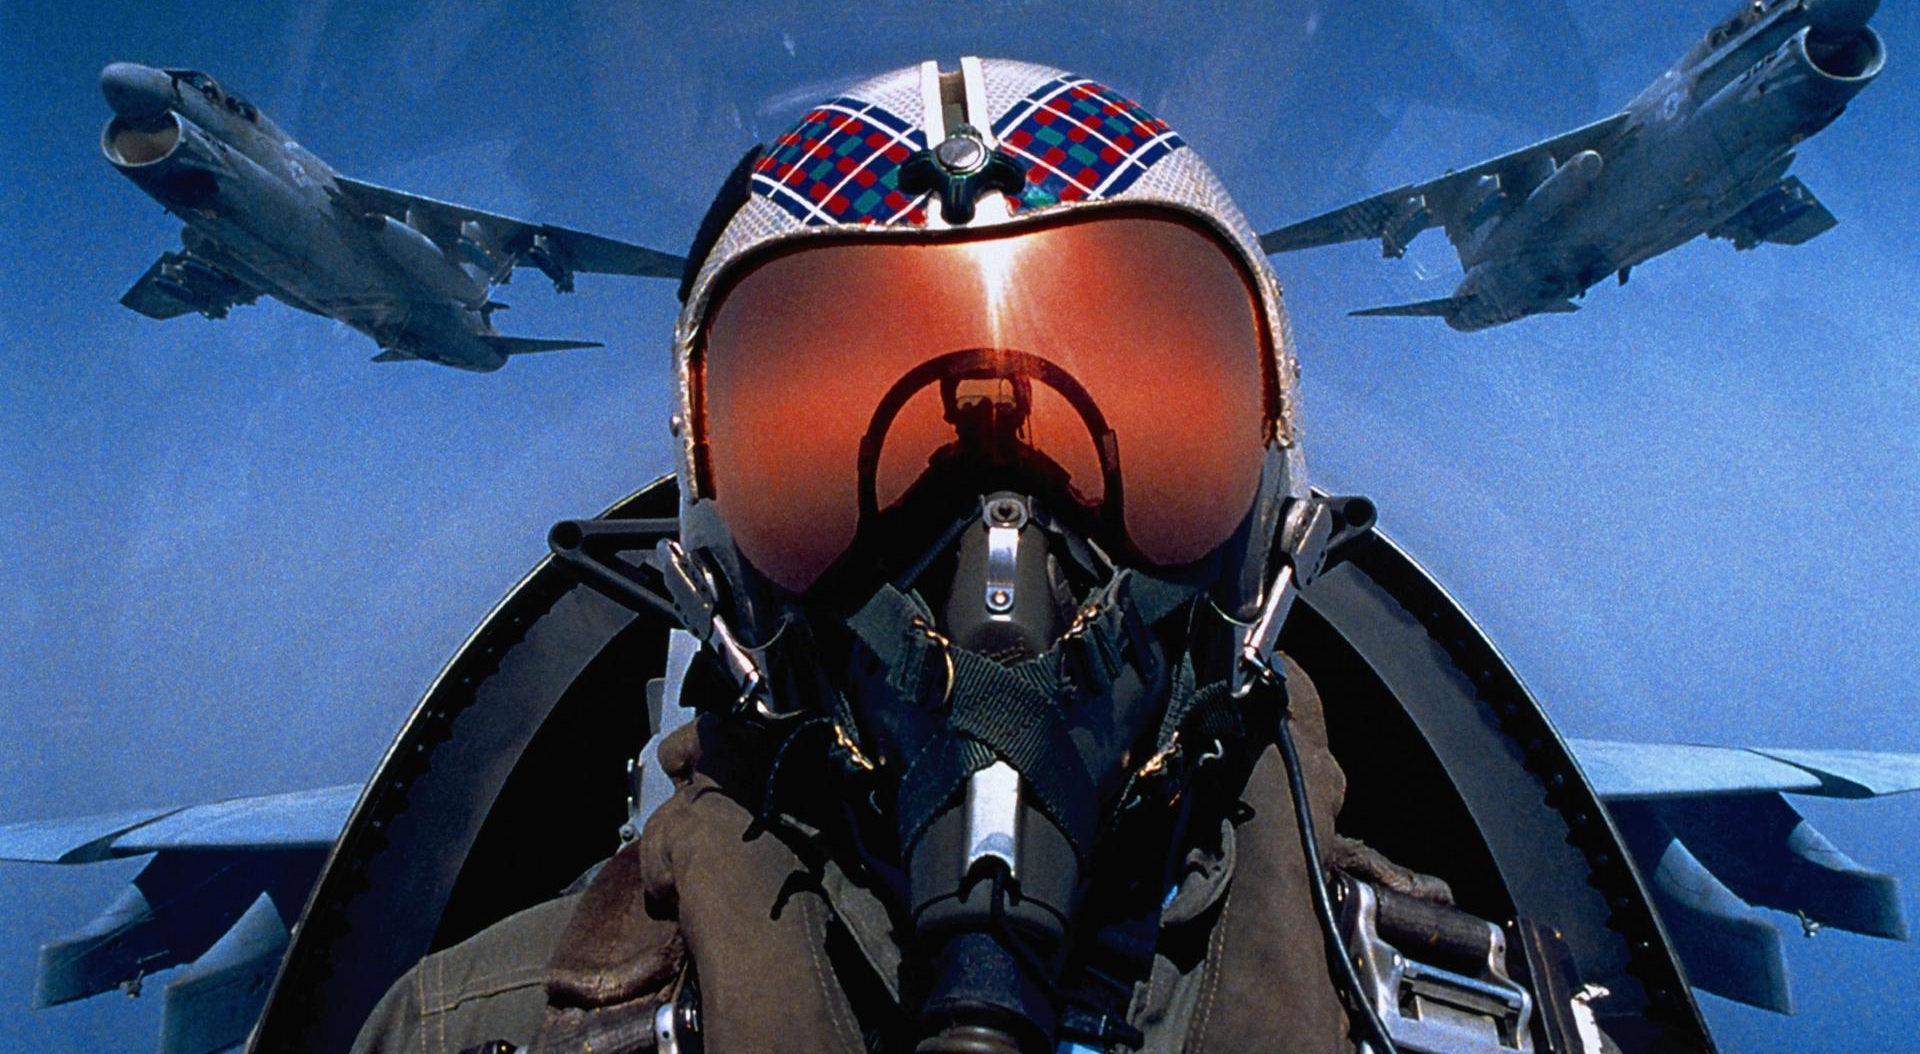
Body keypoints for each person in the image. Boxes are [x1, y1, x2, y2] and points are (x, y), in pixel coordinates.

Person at [353, 57, 1449, 1054]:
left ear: (1274, 520)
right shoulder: (472, 1037)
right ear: (716, 567)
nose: (999, 571)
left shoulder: (1461, 1014)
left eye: (1159, 454)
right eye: (822, 476)